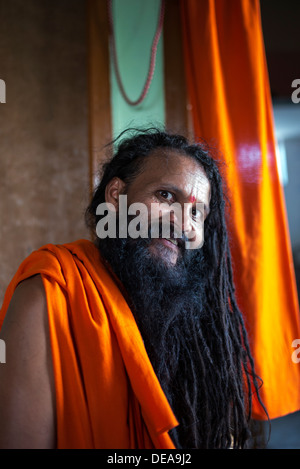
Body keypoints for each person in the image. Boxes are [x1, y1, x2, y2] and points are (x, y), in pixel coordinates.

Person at [0, 128, 267, 449]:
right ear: (116, 195)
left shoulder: (198, 322)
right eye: (166, 195)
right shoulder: (53, 287)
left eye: (197, 212)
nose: (183, 222)